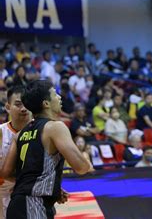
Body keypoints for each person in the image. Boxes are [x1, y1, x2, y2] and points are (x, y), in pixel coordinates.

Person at [0, 80, 91, 218]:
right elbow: (82, 167)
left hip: (16, 204)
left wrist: (50, 184)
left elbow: (6, 172)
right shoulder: (55, 127)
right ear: (46, 103)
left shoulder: (19, 134)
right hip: (34, 203)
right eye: (55, 94)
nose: (59, 97)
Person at [0, 86, 31, 218]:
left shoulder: (42, 131)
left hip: (31, 194)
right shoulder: (2, 132)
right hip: (4, 195)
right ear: (7, 107)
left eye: (27, 104)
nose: (23, 108)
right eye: (18, 104)